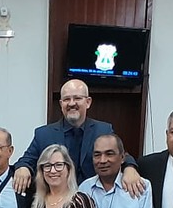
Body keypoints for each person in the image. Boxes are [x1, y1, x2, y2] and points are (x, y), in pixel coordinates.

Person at [12, 78, 144, 195]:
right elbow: (26, 160)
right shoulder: (44, 134)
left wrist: (130, 168)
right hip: (57, 203)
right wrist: (23, 168)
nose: (71, 103)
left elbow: (121, 156)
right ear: (61, 104)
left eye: (77, 98)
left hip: (94, 202)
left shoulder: (103, 130)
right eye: (66, 99)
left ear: (88, 102)